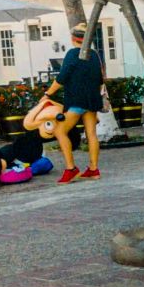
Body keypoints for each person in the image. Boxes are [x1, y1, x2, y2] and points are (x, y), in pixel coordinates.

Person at [42, 23, 103, 183]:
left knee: (60, 131)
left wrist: (48, 94)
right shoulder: (94, 55)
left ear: (73, 38)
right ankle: (93, 169)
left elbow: (62, 78)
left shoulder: (72, 54)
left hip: (77, 100)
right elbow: (100, 78)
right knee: (91, 134)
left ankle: (71, 169)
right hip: (93, 99)